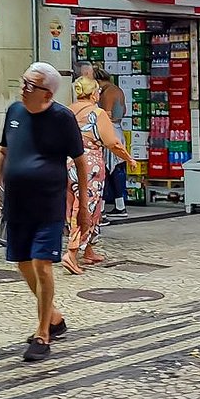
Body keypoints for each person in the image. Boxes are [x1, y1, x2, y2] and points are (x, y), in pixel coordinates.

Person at [0, 62, 86, 362]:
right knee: (23, 262)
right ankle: (53, 317)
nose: (23, 88)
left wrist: (82, 207)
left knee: (42, 264)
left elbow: (80, 161)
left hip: (48, 204)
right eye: (23, 81)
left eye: (30, 85)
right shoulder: (14, 112)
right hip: (17, 203)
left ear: (47, 94)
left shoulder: (62, 118)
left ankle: (43, 334)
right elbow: (3, 150)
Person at [63, 73, 130, 273]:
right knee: (87, 207)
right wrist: (129, 158)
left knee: (73, 205)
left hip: (67, 162)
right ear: (94, 93)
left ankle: (88, 249)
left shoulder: (67, 111)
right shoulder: (97, 113)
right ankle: (72, 252)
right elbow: (112, 142)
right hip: (89, 166)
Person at [80, 63, 130, 217]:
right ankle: (119, 205)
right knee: (116, 168)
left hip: (109, 130)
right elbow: (123, 110)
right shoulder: (118, 90)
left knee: (107, 169)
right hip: (118, 129)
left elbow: (105, 114)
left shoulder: (107, 93)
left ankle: (102, 208)